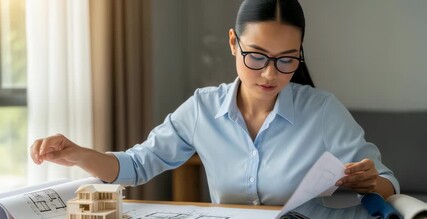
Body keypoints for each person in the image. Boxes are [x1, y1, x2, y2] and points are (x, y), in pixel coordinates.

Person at [30, 0, 399, 205]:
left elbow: (387, 181)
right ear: (233, 43)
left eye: (287, 59)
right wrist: (79, 155)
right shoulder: (202, 109)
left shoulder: (322, 110)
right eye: (257, 56)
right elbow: (138, 165)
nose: (270, 74)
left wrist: (368, 182)